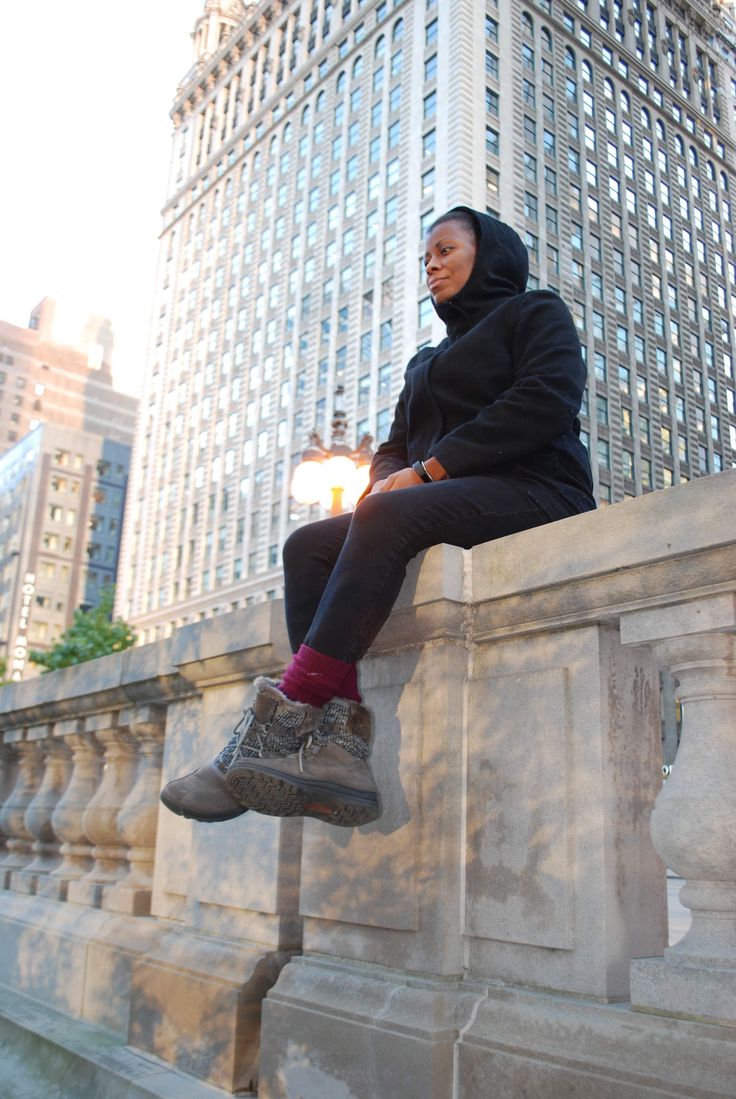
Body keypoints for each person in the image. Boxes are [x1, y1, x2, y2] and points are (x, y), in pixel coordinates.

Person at [160, 205, 596, 828]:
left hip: (535, 488)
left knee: (387, 518)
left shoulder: (534, 312)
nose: (432, 265)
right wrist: (382, 484)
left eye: (445, 250)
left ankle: (281, 722)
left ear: (490, 254)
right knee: (308, 545)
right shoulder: (426, 360)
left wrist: (427, 473)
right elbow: (394, 446)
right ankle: (340, 747)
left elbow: (545, 399)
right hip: (438, 500)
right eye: (427, 257)